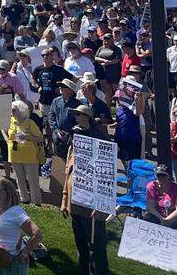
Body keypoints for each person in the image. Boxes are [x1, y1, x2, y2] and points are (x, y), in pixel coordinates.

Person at [60, 112, 110, 274]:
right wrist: (64, 201)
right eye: (73, 137)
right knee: (80, 240)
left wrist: (102, 205)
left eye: (77, 137)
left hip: (92, 208)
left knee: (97, 244)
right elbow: (67, 176)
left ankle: (98, 270)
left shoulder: (98, 152)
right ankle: (84, 268)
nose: (74, 140)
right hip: (75, 205)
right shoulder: (71, 151)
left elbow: (106, 180)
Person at [0, 177, 42, 275]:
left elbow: (37, 234)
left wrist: (25, 252)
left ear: (8, 192)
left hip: (12, 260)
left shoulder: (16, 212)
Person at [5, 101, 43, 207]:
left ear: (21, 111)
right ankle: (24, 199)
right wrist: (8, 142)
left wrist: (27, 137)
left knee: (33, 179)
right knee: (19, 178)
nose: (11, 112)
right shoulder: (10, 121)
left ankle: (36, 201)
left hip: (29, 155)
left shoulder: (30, 123)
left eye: (13, 110)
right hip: (14, 154)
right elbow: (5, 131)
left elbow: (40, 137)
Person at [145, 162, 177, 226]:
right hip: (157, 215)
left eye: (164, 175)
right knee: (147, 217)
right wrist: (161, 219)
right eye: (158, 175)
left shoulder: (175, 188)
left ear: (168, 176)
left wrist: (167, 220)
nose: (161, 178)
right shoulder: (151, 186)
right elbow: (150, 207)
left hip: (172, 217)